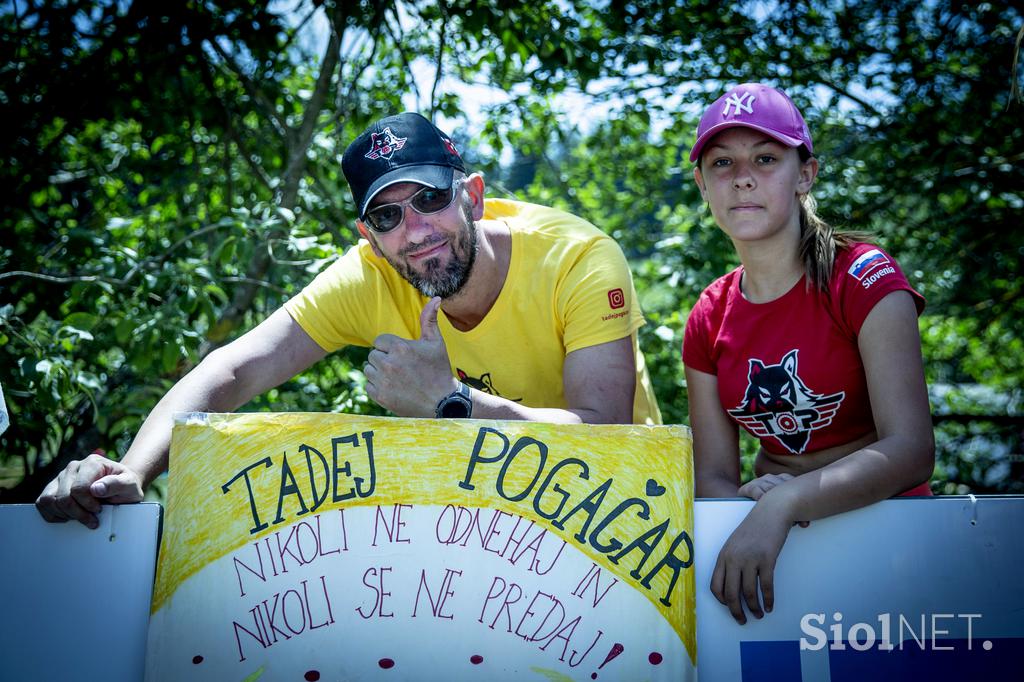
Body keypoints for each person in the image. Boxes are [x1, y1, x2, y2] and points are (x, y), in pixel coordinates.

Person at [37, 111, 661, 528]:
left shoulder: (579, 258)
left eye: (429, 199)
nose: (415, 232)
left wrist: (455, 404)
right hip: (485, 522)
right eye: (387, 217)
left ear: (470, 194)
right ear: (369, 235)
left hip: (614, 516)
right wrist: (131, 470)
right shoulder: (370, 274)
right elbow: (231, 369)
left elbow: (604, 435)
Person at [681, 83, 934, 624]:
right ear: (702, 184)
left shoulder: (863, 279)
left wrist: (785, 501)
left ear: (806, 174)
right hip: (771, 550)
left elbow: (911, 448)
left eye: (766, 158)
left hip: (894, 536)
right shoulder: (708, 314)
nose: (743, 177)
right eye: (722, 163)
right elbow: (713, 477)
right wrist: (755, 500)